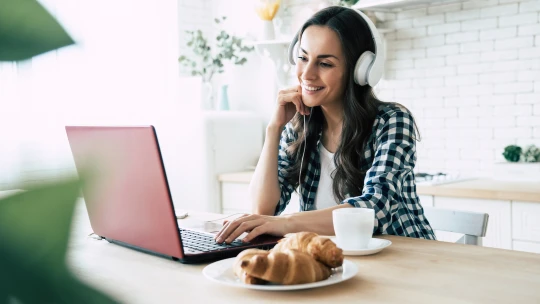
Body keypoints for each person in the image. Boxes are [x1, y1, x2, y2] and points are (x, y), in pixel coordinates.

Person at [215, 6, 435, 244]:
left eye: (325, 63)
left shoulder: (391, 120)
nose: (307, 74)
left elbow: (375, 210)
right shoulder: (300, 126)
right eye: (303, 58)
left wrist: (287, 223)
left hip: (407, 258)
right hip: (338, 260)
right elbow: (263, 210)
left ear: (359, 70)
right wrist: (274, 129)